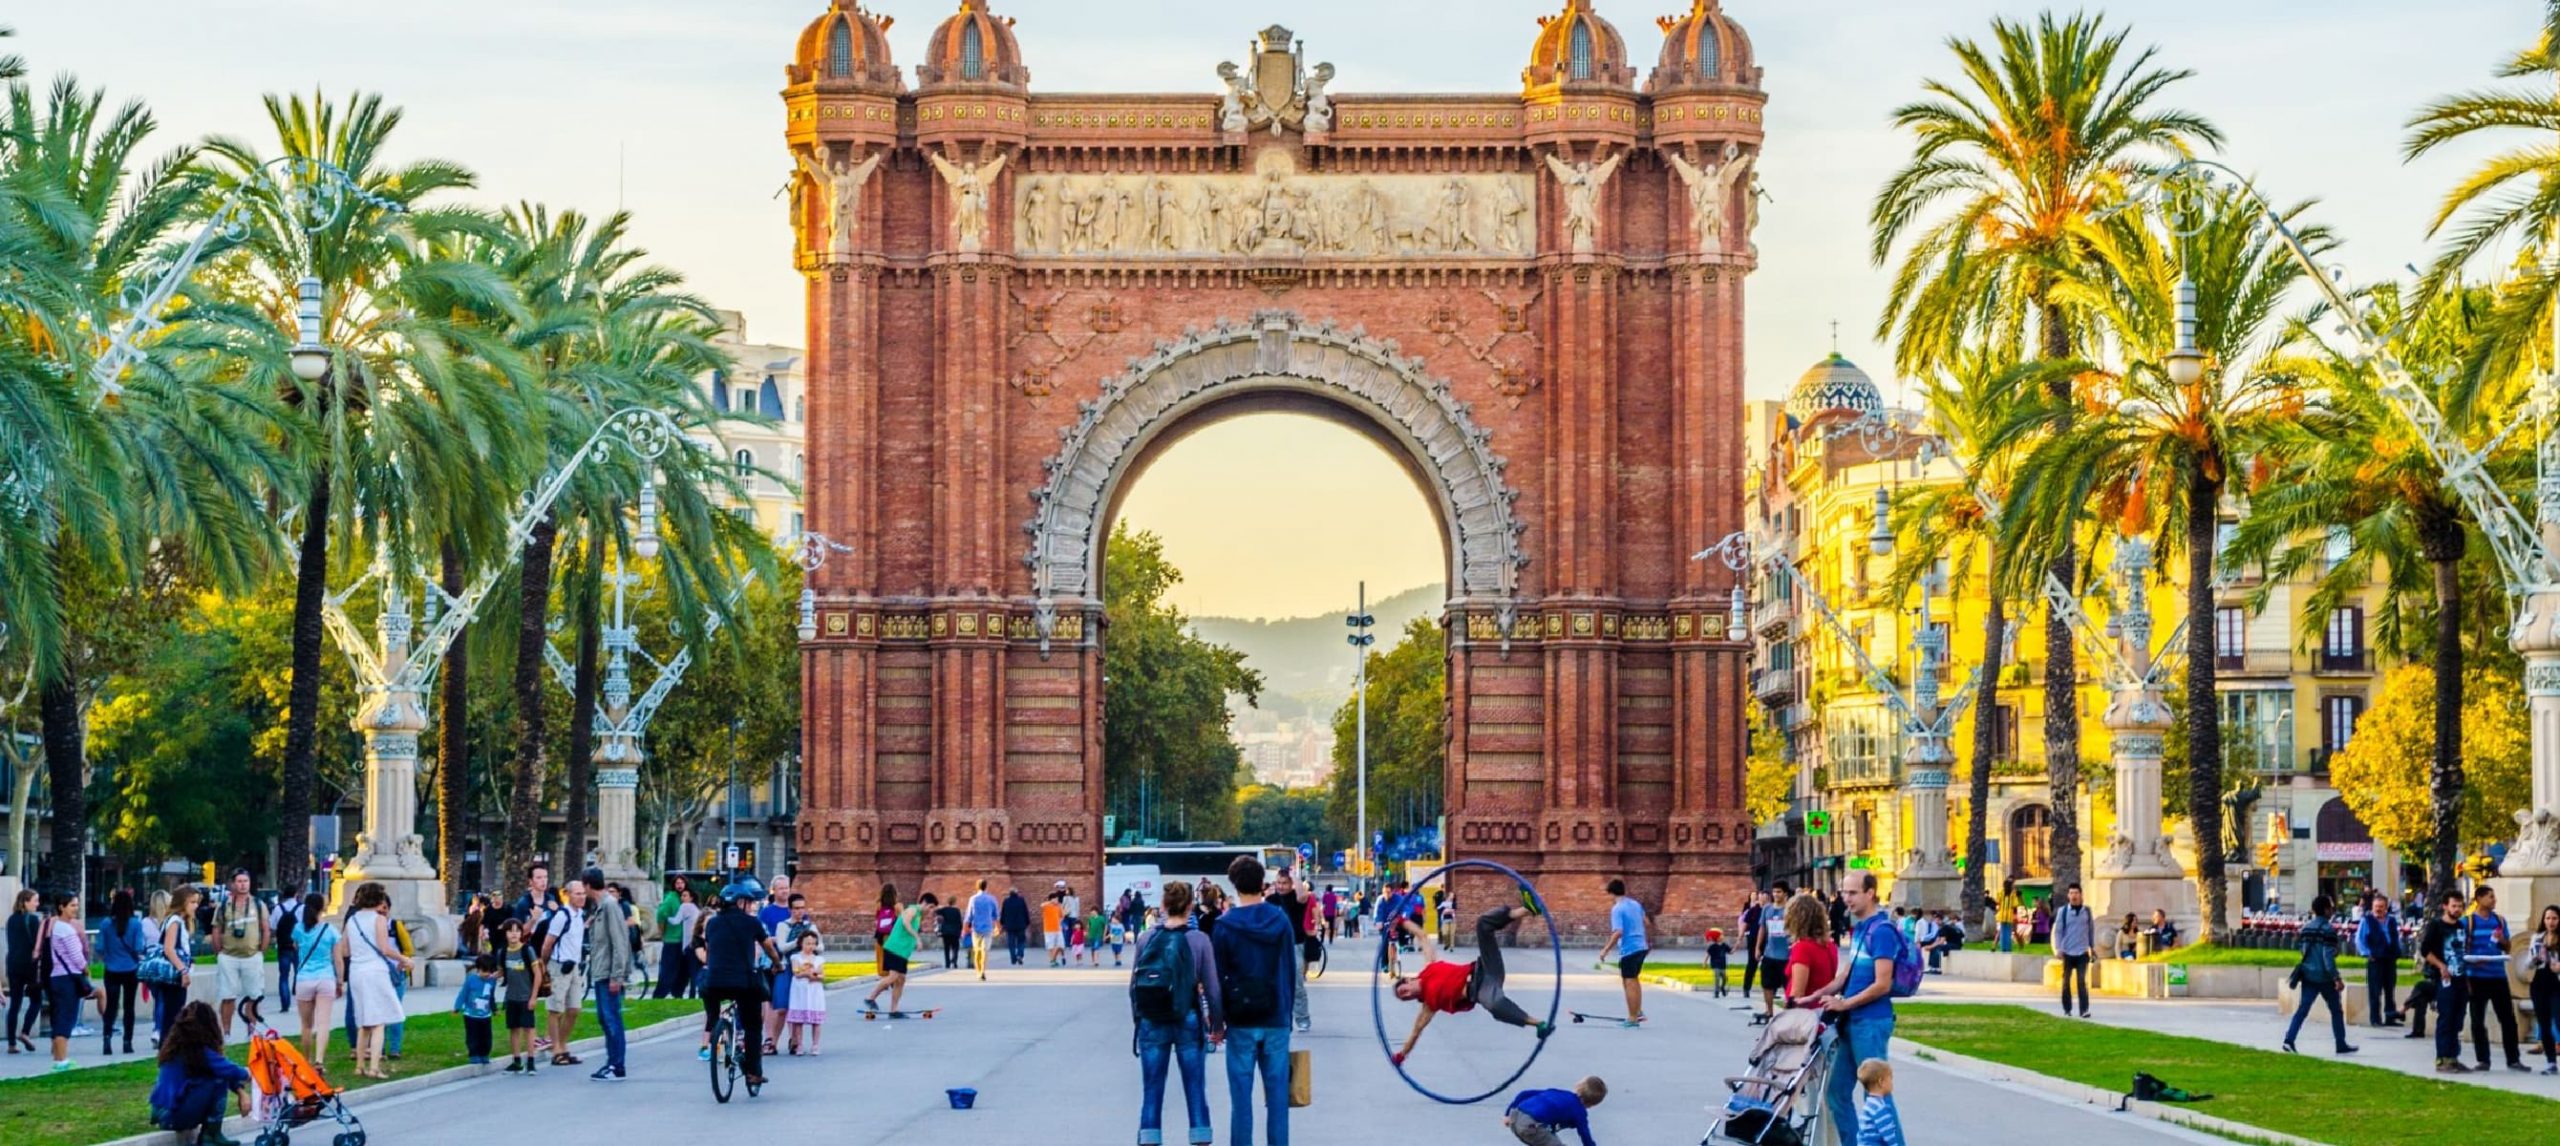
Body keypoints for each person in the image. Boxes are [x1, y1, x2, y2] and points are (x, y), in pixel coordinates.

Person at [1801, 871, 1904, 1142]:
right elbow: (1847, 975)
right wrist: (1817, 995)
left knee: (1877, 1092)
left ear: (1870, 893)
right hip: (1850, 1021)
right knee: (1836, 1092)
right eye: (1843, 892)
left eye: (1852, 893)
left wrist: (1844, 1003)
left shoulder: (1882, 931)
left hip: (1870, 1022)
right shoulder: (1862, 928)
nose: (1845, 899)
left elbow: (1882, 983)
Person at [1388, 900, 1554, 1062]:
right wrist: (1402, 1055)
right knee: (1494, 1005)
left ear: (1408, 980)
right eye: (1405, 998)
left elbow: (1422, 936)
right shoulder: (1428, 1006)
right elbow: (1415, 1033)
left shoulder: (1429, 966)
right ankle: (1539, 1024)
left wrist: (1402, 921)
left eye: (1404, 991)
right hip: (1481, 990)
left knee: (1483, 925)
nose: (1408, 995)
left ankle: (1527, 909)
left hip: (1486, 967)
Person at [1211, 856, 1297, 1146]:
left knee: (1241, 1100)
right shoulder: (1280, 919)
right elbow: (1290, 969)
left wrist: (1218, 1022)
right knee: (1277, 1100)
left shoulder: (1223, 926)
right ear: (1263, 884)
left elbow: (1216, 979)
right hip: (1275, 1018)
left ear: (1233, 885)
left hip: (1240, 1020)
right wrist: (1288, 1014)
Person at [1131, 880, 1223, 1146]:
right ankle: (1200, 1136)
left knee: (1152, 1090)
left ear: (1163, 905)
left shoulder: (1146, 938)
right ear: (1190, 907)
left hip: (1152, 1020)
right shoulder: (1198, 940)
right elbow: (1213, 989)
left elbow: (1133, 987)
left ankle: (1149, 1139)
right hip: (1188, 1018)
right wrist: (1216, 1025)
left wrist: (1139, 1021)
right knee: (1195, 1088)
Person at [694, 879, 782, 1091]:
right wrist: (777, 964)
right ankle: (753, 1073)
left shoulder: (713, 922)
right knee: (753, 1026)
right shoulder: (752, 923)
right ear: (741, 903)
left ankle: (715, 1027)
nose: (751, 905)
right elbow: (768, 946)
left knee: (712, 1004)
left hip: (714, 981)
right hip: (743, 982)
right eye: (748, 902)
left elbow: (711, 947)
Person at [151, 1001, 251, 1146]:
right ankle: (211, 1134)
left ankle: (211, 1135)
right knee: (218, 1081)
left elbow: (223, 1070)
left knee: (215, 1077)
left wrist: (240, 1091)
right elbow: (232, 1071)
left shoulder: (176, 1050)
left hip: (161, 1112)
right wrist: (251, 1074)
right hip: (172, 1115)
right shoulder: (201, 1053)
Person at [336, 882, 409, 1080]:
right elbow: (385, 948)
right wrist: (403, 959)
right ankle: (374, 1068)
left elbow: (345, 950)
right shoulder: (378, 920)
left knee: (364, 1023)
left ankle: (360, 1066)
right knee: (378, 1023)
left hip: (356, 972)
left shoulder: (352, 921)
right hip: (375, 971)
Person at [2460, 885, 2528, 1072]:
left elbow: (2507, 947)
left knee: (2507, 1019)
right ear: (2479, 899)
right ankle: (2483, 1059)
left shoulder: (2499, 921)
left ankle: (2513, 1059)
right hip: (2476, 977)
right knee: (2477, 1020)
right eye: (2490, 897)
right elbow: (2462, 949)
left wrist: (2501, 940)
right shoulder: (2468, 922)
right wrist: (2469, 968)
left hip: (2497, 975)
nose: (2494, 900)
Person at [2280, 894, 2358, 1056]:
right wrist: (2336, 978)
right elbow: (2327, 957)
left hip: (2308, 975)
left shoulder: (2306, 928)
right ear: (2326, 910)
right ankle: (2340, 1043)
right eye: (2330, 907)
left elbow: (2303, 950)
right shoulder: (2328, 930)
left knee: (2302, 1009)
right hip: (2325, 977)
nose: (2332, 910)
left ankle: (2289, 1039)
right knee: (2336, 1011)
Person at [584, 871, 638, 1081]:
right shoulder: (600, 907)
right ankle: (612, 1061)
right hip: (601, 970)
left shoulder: (609, 906)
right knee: (605, 1018)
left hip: (608, 973)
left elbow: (619, 940)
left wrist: (617, 975)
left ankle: (617, 1064)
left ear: (588, 885)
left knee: (611, 1018)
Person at [535, 879, 590, 1068]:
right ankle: (556, 1049)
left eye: (583, 893)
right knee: (555, 1009)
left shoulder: (580, 915)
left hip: (574, 966)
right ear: (567, 894)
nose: (581, 897)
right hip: (558, 966)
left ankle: (563, 1044)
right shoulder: (562, 916)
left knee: (574, 1009)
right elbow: (548, 943)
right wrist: (544, 966)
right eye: (577, 893)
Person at [36, 891, 91, 1071]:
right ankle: (61, 1061)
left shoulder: (56, 927)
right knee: (65, 1020)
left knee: (60, 1017)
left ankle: (59, 1058)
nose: (76, 908)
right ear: (62, 907)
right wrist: (85, 968)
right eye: (72, 905)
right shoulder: (66, 929)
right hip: (67, 979)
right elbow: (77, 956)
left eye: (76, 904)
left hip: (57, 976)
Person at [211, 870, 268, 1039]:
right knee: (227, 996)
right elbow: (216, 928)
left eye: (246, 881)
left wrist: (261, 951)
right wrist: (218, 951)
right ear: (233, 884)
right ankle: (226, 1032)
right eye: (239, 881)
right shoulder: (224, 905)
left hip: (252, 956)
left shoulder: (258, 904)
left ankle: (252, 1031)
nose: (243, 884)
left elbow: (265, 928)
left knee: (254, 995)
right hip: (229, 956)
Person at [286, 893, 340, 1068]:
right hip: (325, 977)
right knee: (323, 1022)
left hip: (304, 978)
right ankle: (319, 1060)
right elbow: (338, 960)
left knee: (306, 1024)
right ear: (322, 907)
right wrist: (341, 981)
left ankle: (307, 1059)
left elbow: (295, 946)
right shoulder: (330, 930)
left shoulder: (298, 928)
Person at [2418, 889, 2469, 1072]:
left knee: (2458, 1019)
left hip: (2461, 978)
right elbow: (2426, 950)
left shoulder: (2461, 927)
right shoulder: (2436, 926)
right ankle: (2442, 1058)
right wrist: (2441, 966)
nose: (2457, 910)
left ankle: (2453, 1056)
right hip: (2444, 979)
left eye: (2460, 906)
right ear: (2445, 906)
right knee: (2446, 1017)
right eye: (2453, 906)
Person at [766, 893, 819, 1051]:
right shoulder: (783, 925)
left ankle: (795, 1041)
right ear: (790, 909)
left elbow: (820, 946)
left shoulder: (810, 927)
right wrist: (798, 941)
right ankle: (773, 1042)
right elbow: (781, 947)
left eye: (802, 908)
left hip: (805, 968)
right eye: (796, 908)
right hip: (786, 967)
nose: (799, 911)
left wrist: (811, 945)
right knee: (781, 1007)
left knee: (800, 1005)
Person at [97, 888, 146, 1056]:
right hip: (130, 969)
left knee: (111, 1006)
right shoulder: (136, 924)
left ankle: (107, 1039)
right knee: (129, 1006)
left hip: (111, 969)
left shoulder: (105, 924)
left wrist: (109, 957)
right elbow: (139, 947)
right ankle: (127, 1041)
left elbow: (99, 948)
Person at [863, 885, 923, 1015]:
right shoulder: (898, 906)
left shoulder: (879, 906)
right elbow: (903, 921)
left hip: (882, 940)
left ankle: (893, 1008)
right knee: (894, 976)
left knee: (898, 977)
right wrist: (916, 936)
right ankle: (871, 998)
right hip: (895, 942)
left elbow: (877, 922)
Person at [1266, 867, 1313, 1033]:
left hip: (1295, 945)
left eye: (1285, 883)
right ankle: (1283, 1018)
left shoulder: (1296, 898)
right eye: (1278, 882)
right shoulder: (1271, 899)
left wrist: (1295, 877)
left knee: (1297, 984)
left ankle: (1302, 1018)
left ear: (1291, 884)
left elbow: (1303, 896)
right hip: (1275, 946)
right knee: (1276, 984)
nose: (1281, 886)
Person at [495, 917, 542, 1074]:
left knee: (529, 1029)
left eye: (517, 931)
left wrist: (533, 997)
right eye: (510, 931)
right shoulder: (502, 953)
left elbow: (537, 974)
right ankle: (516, 1061)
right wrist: (487, 977)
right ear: (506, 934)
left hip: (526, 996)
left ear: (521, 933)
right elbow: (502, 971)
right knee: (513, 1029)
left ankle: (531, 1061)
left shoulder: (527, 950)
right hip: (511, 997)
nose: (514, 934)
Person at [1600, 879, 1649, 1028]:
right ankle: (1637, 1011)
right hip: (1641, 946)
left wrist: (1605, 949)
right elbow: (1646, 922)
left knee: (1629, 981)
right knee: (1632, 980)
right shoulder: (1635, 904)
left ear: (1611, 893)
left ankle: (1633, 1018)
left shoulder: (1618, 908)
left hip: (1630, 948)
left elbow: (1618, 932)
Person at [154, 889, 199, 1048]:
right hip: (174, 973)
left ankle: (170, 1045)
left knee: (173, 1010)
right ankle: (168, 1045)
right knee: (173, 1012)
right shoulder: (174, 921)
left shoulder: (177, 921)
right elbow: (169, 949)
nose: (196, 906)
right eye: (192, 902)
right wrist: (183, 970)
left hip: (174, 972)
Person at [1503, 1076, 1606, 1146]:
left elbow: (1524, 1094)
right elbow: (1585, 1136)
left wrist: (1507, 1114)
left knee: (1546, 1139)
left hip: (1514, 1117)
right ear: (1592, 1104)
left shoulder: (1558, 1092)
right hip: (1530, 1126)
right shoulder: (1579, 1112)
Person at [1780, 893, 1838, 1010]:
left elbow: (1798, 993)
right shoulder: (1829, 945)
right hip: (1822, 1008)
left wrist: (1787, 1014)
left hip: (1806, 1013)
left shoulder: (1803, 948)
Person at [2353, 892, 2400, 1027]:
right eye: (2376, 906)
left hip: (2390, 958)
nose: (2378, 909)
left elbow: (2395, 937)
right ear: (2372, 907)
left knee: (2390, 989)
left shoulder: (2391, 920)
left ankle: (2390, 1017)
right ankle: (2375, 1019)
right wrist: (2367, 954)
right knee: (2375, 991)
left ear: (2386, 907)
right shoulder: (2366, 920)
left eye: (2381, 906)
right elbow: (2359, 940)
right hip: (2375, 959)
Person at [7, 887, 44, 1053]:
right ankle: (25, 1032)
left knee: (15, 1004)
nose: (37, 904)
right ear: (26, 902)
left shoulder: (11, 920)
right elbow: (38, 944)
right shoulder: (33, 920)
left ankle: (11, 1043)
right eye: (35, 900)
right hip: (30, 965)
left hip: (13, 964)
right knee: (36, 1000)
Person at [2051, 882, 2094, 1018]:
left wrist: (2092, 947)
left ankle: (2084, 1010)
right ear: (2068, 896)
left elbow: (2091, 930)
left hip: (2082, 951)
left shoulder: (2086, 911)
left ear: (2081, 895)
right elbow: (2058, 931)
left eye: (2076, 893)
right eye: (2071, 893)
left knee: (2082, 981)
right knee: (2066, 982)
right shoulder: (2063, 912)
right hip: (2067, 952)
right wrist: (2058, 948)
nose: (2074, 896)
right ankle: (2067, 1008)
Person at [2526, 904, 2560, 1075]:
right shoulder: (2537, 938)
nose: (2551, 922)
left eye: (2554, 918)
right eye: (2548, 918)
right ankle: (2551, 1062)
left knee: (2558, 1018)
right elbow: (2527, 963)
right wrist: (2534, 959)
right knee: (2544, 1024)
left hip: (2557, 985)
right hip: (2540, 984)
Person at [654, 885, 702, 999]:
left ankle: (691, 995)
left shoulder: (685, 906)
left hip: (688, 944)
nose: (682, 898)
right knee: (693, 971)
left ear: (691, 898)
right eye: (682, 896)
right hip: (696, 942)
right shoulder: (695, 908)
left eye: (685, 895)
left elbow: (676, 921)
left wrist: (666, 916)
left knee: (689, 970)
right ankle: (693, 995)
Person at [785, 930, 828, 1055]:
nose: (810, 947)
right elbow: (796, 972)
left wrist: (814, 976)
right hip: (800, 990)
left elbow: (821, 974)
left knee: (816, 1021)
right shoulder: (796, 957)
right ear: (801, 944)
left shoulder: (819, 959)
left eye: (813, 944)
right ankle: (799, 1044)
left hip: (814, 990)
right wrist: (807, 973)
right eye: (807, 944)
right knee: (798, 1020)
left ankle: (815, 1044)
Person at [455, 953, 499, 1066]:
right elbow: (463, 994)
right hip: (471, 1015)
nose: (487, 974)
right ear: (478, 969)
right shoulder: (471, 980)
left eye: (490, 971)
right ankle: (474, 1054)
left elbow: (491, 996)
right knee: (473, 1036)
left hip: (485, 1015)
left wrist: (494, 1009)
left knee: (486, 1036)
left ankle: (484, 1054)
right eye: (484, 971)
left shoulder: (492, 981)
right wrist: (457, 1007)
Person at [1756, 892, 1793, 1023]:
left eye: (1779, 891)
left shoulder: (1790, 909)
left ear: (1785, 893)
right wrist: (1758, 947)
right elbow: (1762, 928)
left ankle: (1789, 1013)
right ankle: (1769, 1010)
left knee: (1788, 985)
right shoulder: (1767, 909)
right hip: (1769, 953)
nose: (1776, 894)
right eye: (1774, 891)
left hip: (1786, 955)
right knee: (1767, 984)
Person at [1853, 1059, 1906, 1146]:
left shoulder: (1868, 1105)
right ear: (1881, 1082)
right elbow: (1888, 1134)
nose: (1892, 1083)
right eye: (1890, 1078)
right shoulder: (1880, 1108)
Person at [1738, 891, 1768, 999]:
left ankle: (1770, 990)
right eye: (1760, 898)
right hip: (1753, 940)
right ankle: (1746, 988)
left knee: (1769, 965)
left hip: (1768, 941)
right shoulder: (1752, 911)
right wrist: (1740, 938)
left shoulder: (1769, 910)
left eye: (1764, 898)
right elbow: (1745, 924)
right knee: (1752, 964)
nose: (1762, 900)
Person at [968, 880, 1001, 978]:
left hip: (976, 928)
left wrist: (965, 928)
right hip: (988, 928)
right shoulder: (992, 899)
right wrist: (998, 927)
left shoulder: (973, 899)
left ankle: (978, 971)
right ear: (986, 887)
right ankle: (982, 970)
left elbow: (969, 915)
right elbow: (996, 915)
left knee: (977, 950)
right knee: (985, 950)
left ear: (977, 887)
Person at [1002, 887, 1033, 967]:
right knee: (1021, 941)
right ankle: (1020, 955)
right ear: (1017, 893)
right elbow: (1025, 912)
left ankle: (1013, 958)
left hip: (1009, 926)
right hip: (1020, 925)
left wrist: (1003, 923)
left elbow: (1003, 913)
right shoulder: (1021, 900)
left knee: (1011, 943)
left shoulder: (1006, 901)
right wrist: (1027, 922)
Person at [936, 892, 964, 971]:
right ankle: (954, 961)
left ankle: (947, 963)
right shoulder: (957, 910)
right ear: (955, 902)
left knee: (946, 948)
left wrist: (940, 907)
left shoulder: (945, 909)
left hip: (946, 931)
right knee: (955, 947)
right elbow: (959, 921)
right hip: (955, 931)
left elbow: (936, 912)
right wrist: (960, 930)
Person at [1043, 889, 1068, 968]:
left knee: (1060, 945)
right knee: (1051, 946)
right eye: (1055, 898)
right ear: (1051, 899)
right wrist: (1050, 902)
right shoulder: (1046, 906)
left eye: (1057, 898)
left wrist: (1061, 919)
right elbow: (1042, 905)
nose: (1056, 900)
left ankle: (1054, 959)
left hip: (1058, 929)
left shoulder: (1059, 906)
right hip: (1048, 929)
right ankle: (1053, 961)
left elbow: (1062, 915)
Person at [1995, 880, 2019, 953]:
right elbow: (2015, 905)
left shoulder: (2000, 893)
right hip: (2009, 915)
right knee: (2008, 932)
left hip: (2002, 915)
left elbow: (1997, 902)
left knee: (2002, 931)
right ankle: (2008, 948)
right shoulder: (2013, 894)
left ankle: (2003, 948)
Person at [1706, 928, 1732, 998]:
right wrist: (1705, 962)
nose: (1723, 936)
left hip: (1723, 965)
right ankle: (1716, 991)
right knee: (1717, 978)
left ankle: (1722, 987)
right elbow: (1708, 954)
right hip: (1715, 965)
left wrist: (1737, 946)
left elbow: (1731, 952)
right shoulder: (1712, 946)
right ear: (1717, 938)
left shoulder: (1724, 945)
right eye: (1721, 935)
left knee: (1725, 978)